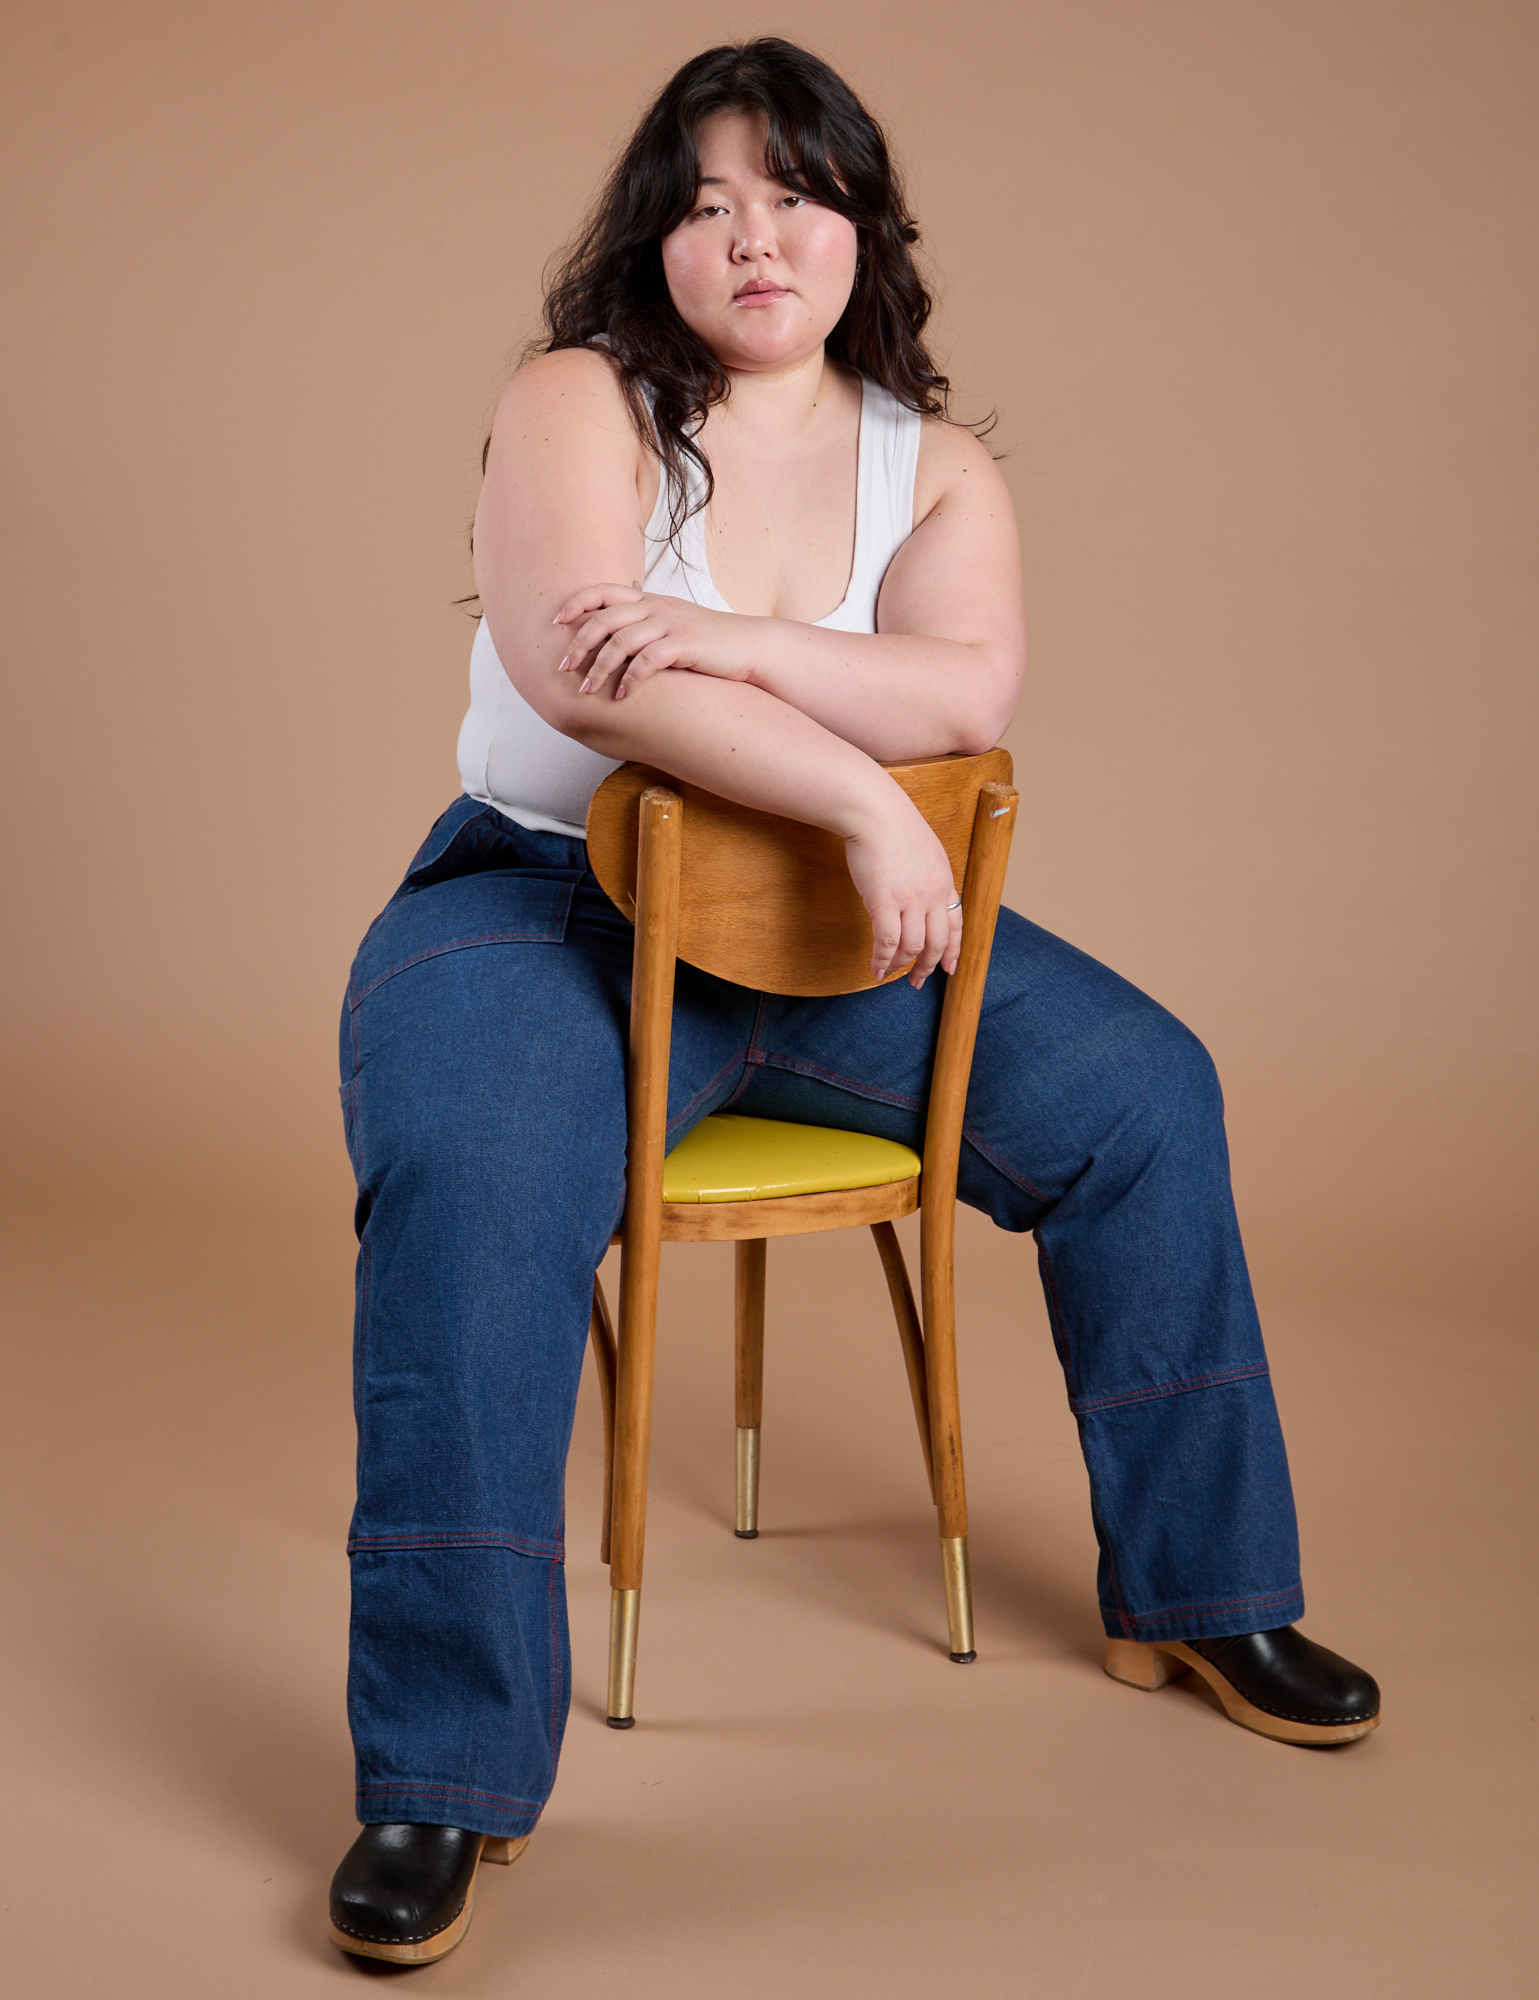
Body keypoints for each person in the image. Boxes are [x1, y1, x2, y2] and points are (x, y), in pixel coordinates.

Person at [327, 38, 1380, 1967]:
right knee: (474, 1191)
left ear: (858, 228)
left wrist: (729, 647)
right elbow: (584, 684)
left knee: (1148, 1098)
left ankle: (1205, 1588)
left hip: (837, 927)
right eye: (704, 200)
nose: (750, 235)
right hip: (544, 905)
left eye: (790, 193)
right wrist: (842, 778)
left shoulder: (935, 463)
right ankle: (441, 1780)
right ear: (655, 243)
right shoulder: (574, 403)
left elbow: (964, 699)